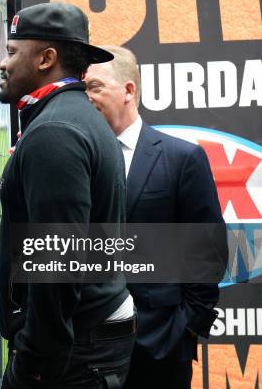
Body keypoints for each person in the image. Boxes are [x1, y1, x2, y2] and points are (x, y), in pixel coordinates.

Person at [0, 1, 136, 388]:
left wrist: (34, 364)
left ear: (46, 58)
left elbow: (59, 264)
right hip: (84, 340)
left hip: (71, 352)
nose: (3, 64)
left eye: (11, 52)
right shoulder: (70, 116)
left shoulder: (56, 130)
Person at [85, 45, 228, 389]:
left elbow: (207, 251)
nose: (85, 96)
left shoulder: (182, 158)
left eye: (94, 86)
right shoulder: (77, 160)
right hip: (86, 351)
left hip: (158, 350)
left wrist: (185, 330)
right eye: (81, 88)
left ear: (128, 91)